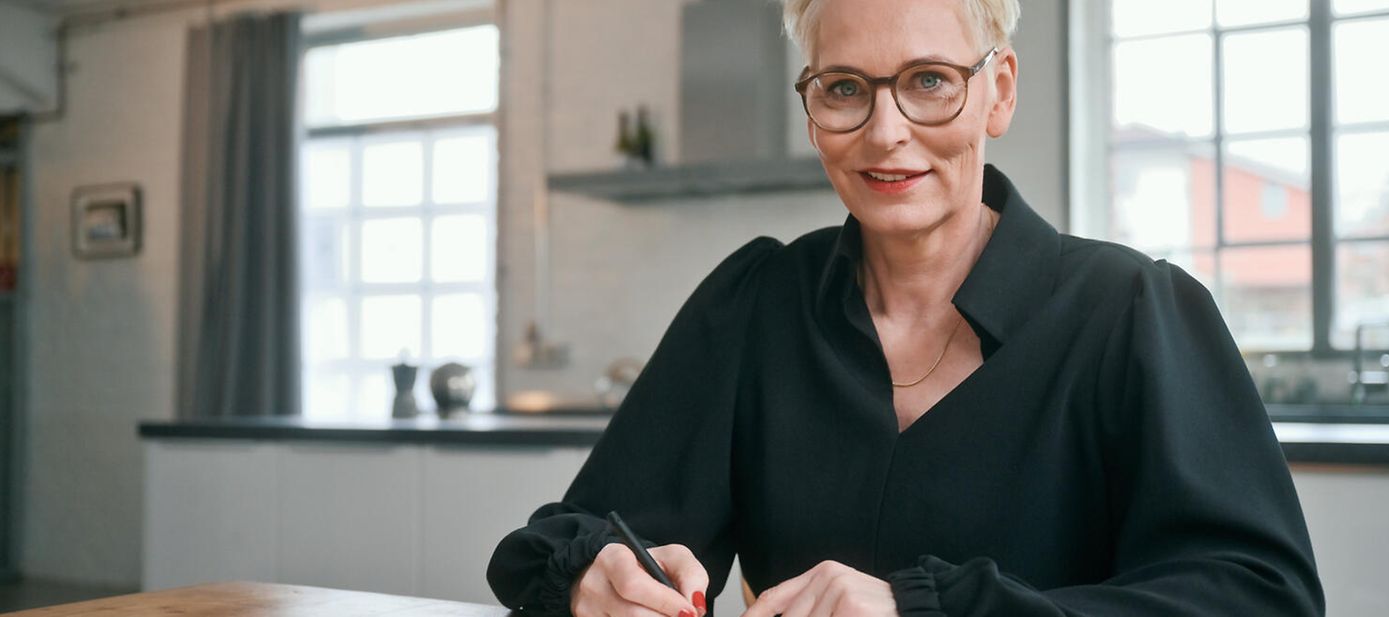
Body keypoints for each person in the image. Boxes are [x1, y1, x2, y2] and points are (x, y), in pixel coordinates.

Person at [487, 0, 1325, 614]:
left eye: (929, 81)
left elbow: (1260, 599)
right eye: (846, 87)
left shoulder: (1136, 311)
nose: (885, 131)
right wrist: (598, 574)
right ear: (812, 109)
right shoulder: (756, 305)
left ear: (999, 91)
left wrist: (923, 609)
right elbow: (562, 538)